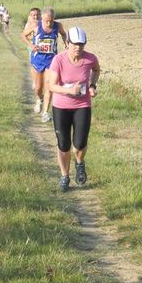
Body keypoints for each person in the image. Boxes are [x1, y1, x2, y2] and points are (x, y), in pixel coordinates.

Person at [47, 26, 100, 192]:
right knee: (64, 144)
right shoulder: (59, 60)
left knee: (80, 144)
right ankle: (64, 176)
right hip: (61, 106)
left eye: (82, 45)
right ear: (67, 43)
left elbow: (96, 70)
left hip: (82, 106)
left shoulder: (90, 59)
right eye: (75, 44)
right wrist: (70, 91)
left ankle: (79, 163)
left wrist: (92, 85)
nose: (78, 48)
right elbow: (52, 86)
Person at [21, 7, 67, 123]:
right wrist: (31, 46)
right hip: (37, 60)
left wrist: (65, 41)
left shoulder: (58, 26)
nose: (48, 23)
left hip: (51, 61)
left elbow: (63, 34)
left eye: (51, 21)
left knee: (49, 86)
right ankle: (39, 99)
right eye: (46, 20)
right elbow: (23, 36)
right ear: (42, 18)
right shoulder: (36, 25)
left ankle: (45, 112)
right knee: (38, 88)